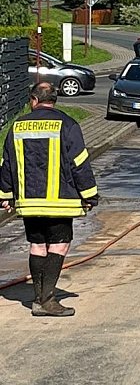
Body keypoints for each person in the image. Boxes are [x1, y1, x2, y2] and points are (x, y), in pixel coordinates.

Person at [0, 81, 99, 317]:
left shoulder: (17, 126)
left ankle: (37, 299)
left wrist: (5, 196)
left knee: (37, 246)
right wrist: (89, 194)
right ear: (54, 100)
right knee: (59, 244)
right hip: (59, 202)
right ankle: (47, 300)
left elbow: (7, 164)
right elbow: (79, 163)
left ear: (33, 100)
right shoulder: (67, 124)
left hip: (28, 202)